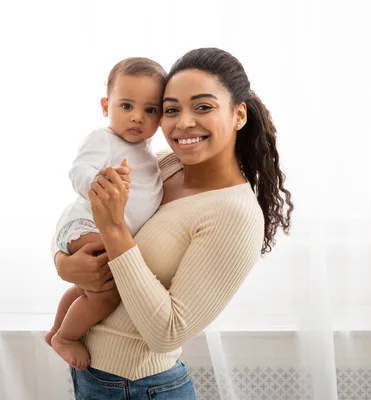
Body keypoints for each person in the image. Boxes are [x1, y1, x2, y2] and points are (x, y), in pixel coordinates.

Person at [51, 47, 293, 399]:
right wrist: (64, 263)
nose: (183, 123)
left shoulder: (235, 215)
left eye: (203, 107)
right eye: (170, 110)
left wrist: (116, 232)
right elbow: (80, 215)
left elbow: (167, 333)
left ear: (239, 114)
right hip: (95, 378)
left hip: (140, 388)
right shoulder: (161, 166)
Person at [45, 57, 166, 370]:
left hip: (101, 227)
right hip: (85, 223)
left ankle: (56, 330)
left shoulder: (150, 155)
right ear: (105, 106)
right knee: (108, 294)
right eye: (126, 106)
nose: (137, 117)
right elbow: (77, 170)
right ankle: (66, 337)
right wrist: (99, 181)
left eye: (150, 109)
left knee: (86, 287)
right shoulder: (104, 139)